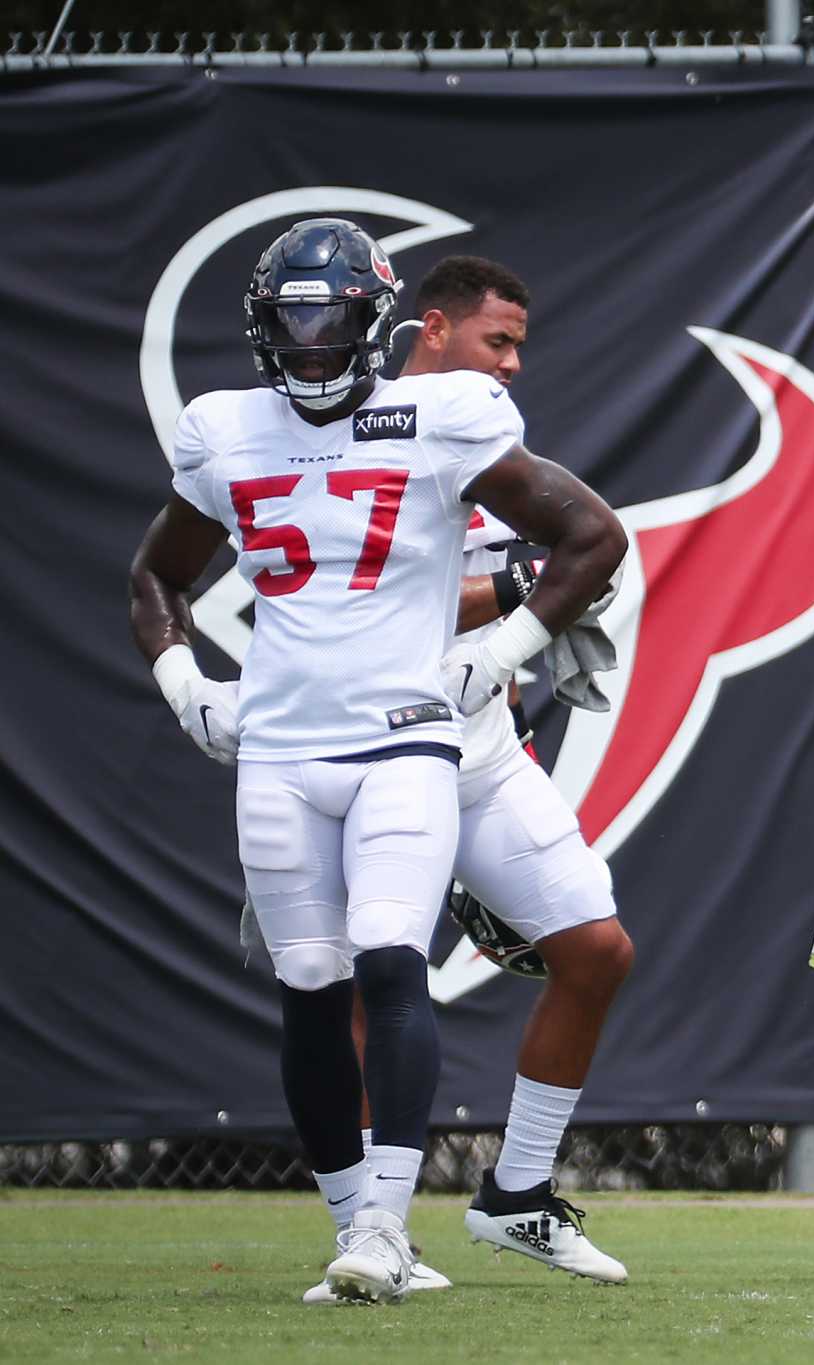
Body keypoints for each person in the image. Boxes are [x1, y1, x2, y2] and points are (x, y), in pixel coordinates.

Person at [128, 219, 626, 1304]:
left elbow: (589, 543)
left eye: (329, 323)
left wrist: (501, 649)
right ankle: (364, 1228)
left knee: (437, 958)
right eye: (289, 326)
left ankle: (475, 1204)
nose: (311, 347)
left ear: (378, 321)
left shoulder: (451, 421)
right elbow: (174, 576)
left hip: (429, 732)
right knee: (317, 985)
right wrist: (185, 688)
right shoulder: (228, 429)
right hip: (292, 740)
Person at [299, 254, 635, 1302]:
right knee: (363, 986)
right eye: (498, 341)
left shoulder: (487, 440)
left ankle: (517, 1195)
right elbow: (350, 607)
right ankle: (368, 1229)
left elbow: (576, 555)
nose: (514, 366)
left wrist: (549, 593)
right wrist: (521, 586)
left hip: (481, 753)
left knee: (595, 949)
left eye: (521, 346)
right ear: (430, 331)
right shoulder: (355, 431)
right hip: (367, 752)